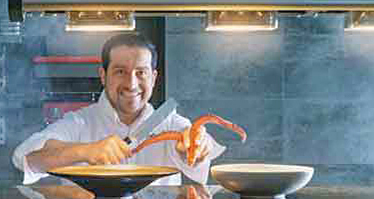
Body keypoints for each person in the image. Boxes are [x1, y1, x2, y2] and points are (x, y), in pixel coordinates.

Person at [11, 31, 224, 186]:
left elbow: (198, 154)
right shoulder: (79, 123)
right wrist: (85, 151)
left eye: (141, 72)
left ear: (153, 78)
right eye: (120, 71)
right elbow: (24, 159)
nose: (131, 84)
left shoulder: (170, 123)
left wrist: (197, 146)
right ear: (103, 76)